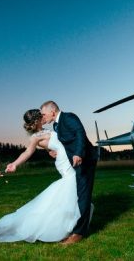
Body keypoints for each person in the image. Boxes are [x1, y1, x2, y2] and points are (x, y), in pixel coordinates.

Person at [0, 109, 81, 243]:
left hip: (65, 159)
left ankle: (73, 224)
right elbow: (27, 152)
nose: (44, 117)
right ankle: (71, 226)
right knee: (71, 186)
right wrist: (14, 164)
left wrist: (50, 150)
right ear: (37, 121)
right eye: (41, 116)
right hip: (64, 164)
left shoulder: (47, 130)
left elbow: (52, 144)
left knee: (73, 188)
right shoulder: (35, 137)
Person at [40, 101, 98, 245]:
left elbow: (80, 134)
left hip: (85, 160)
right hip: (75, 162)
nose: (42, 117)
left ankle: (79, 233)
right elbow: (67, 142)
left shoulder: (69, 117)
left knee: (83, 195)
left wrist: (78, 153)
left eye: (43, 114)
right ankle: (75, 228)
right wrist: (55, 151)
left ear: (52, 111)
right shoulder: (56, 125)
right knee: (78, 195)